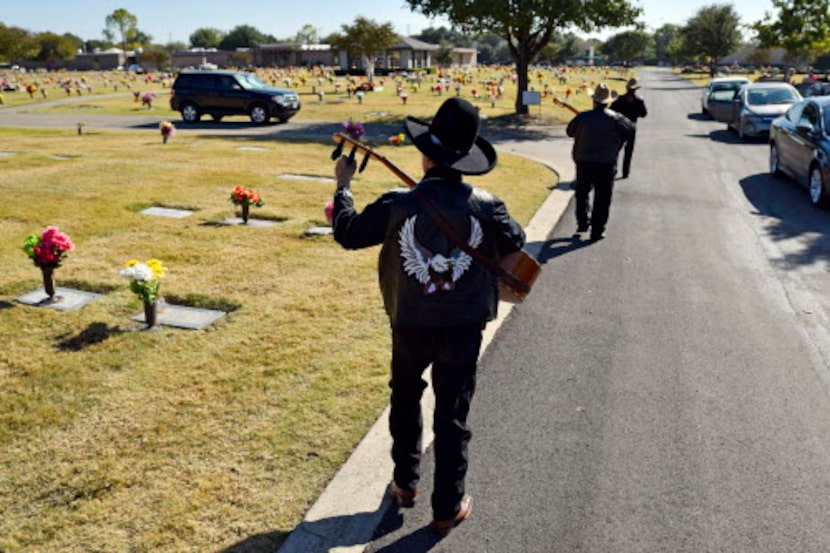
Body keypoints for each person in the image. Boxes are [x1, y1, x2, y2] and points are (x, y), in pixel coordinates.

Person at [331, 97, 526, 537]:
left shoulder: (399, 202)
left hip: (409, 324)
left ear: (426, 153)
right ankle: (447, 506)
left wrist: (343, 185)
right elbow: (517, 238)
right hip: (463, 328)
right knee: (452, 415)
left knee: (404, 397)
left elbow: (347, 232)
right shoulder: (487, 204)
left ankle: (405, 483)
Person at [567, 82, 636, 241]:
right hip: (606, 162)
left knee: (582, 192)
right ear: (609, 102)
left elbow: (570, 132)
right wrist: (618, 142)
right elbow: (631, 130)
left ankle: (582, 222)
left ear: (593, 100)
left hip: (584, 160)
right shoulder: (617, 119)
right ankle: (597, 230)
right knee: (603, 198)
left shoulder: (582, 117)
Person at [610, 77, 647, 179]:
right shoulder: (639, 101)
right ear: (635, 89)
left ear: (627, 88)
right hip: (631, 127)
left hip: (619, 127)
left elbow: (611, 111)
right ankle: (625, 172)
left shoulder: (619, 99)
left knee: (616, 149)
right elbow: (644, 114)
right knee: (628, 151)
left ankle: (613, 169)